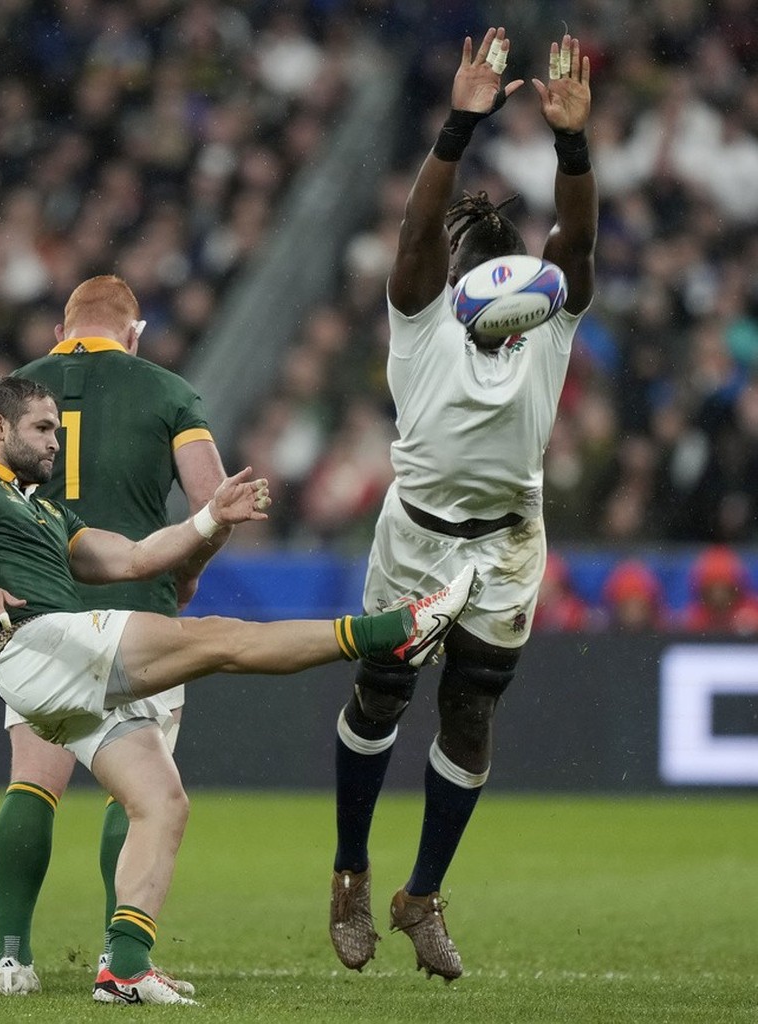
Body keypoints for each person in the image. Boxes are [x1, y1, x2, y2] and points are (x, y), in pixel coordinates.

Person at [0, 376, 473, 1004]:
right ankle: (399, 629)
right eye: (42, 429)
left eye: (58, 432)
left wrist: (207, 518)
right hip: (39, 642)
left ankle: (124, 967)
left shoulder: (46, 510)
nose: (54, 443)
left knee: (162, 802)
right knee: (219, 639)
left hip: (58, 679)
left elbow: (135, 558)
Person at [325, 28, 598, 982]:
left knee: (472, 713)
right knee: (381, 693)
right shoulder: (421, 316)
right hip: (415, 537)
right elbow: (411, 237)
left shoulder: (553, 323)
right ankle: (353, 873)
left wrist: (572, 147)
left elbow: (577, 242)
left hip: (507, 545)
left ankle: (421, 895)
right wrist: (458, 126)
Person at [0, 275, 230, 996]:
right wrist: (188, 570)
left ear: (60, 330)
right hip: (137, 608)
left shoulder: (6, 397)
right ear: (133, 333)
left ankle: (12, 956)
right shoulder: (169, 392)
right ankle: (122, 957)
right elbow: (211, 501)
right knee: (139, 794)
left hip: (34, 613)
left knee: (33, 780)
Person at [680, 546, 758, 635]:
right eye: (712, 590)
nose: (718, 596)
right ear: (703, 592)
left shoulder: (751, 613)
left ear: (736, 590)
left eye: (724, 589)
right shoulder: (695, 618)